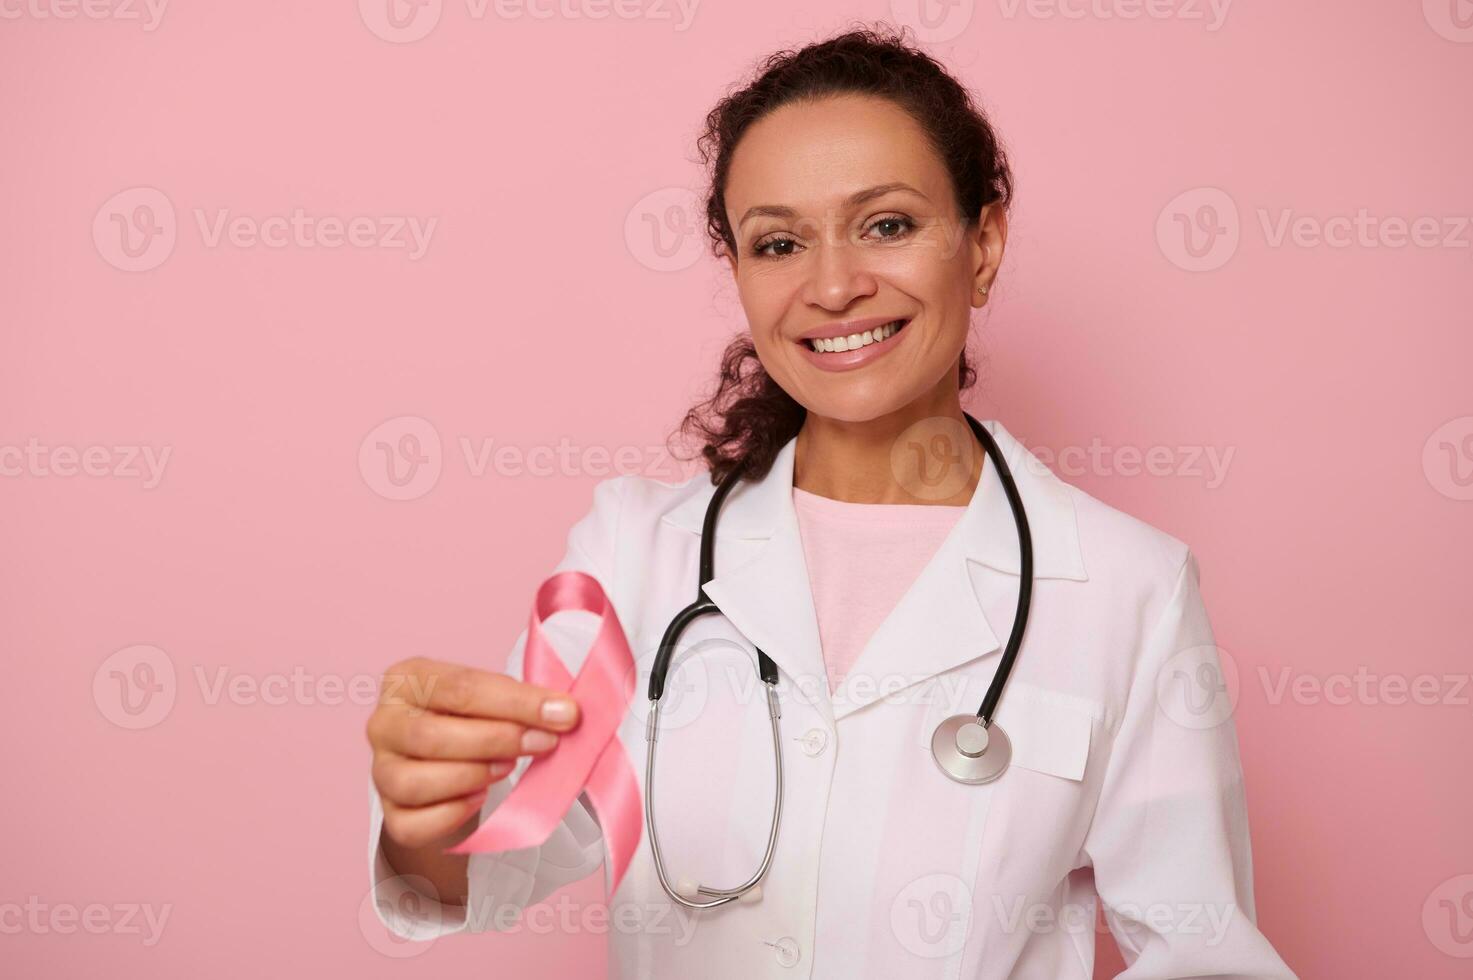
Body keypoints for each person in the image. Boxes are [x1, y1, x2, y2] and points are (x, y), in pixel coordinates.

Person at [363, 24, 1297, 979]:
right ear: (738, 272)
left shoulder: (1129, 590)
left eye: (887, 224)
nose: (835, 285)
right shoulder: (633, 553)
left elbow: (1205, 955)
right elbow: (487, 864)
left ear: (983, 243)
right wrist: (423, 811)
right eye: (778, 242)